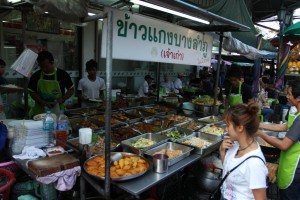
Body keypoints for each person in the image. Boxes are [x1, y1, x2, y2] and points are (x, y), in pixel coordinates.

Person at [257, 80, 300, 199]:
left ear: (298, 98)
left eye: (290, 94)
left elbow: (284, 145)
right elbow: (284, 127)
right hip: (288, 163)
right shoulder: (296, 114)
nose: (287, 96)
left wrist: (260, 134)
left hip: (294, 169)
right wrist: (258, 124)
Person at [220, 103, 268, 199]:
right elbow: (228, 169)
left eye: (228, 125)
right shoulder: (236, 146)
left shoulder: (254, 164)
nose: (226, 129)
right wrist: (222, 150)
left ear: (240, 128)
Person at [28, 51, 74, 117]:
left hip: (58, 109)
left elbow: (71, 89)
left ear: (52, 62)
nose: (44, 69)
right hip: (40, 111)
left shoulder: (62, 74)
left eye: (46, 66)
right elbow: (32, 92)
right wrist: (41, 102)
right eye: (41, 67)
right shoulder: (36, 76)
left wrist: (62, 99)